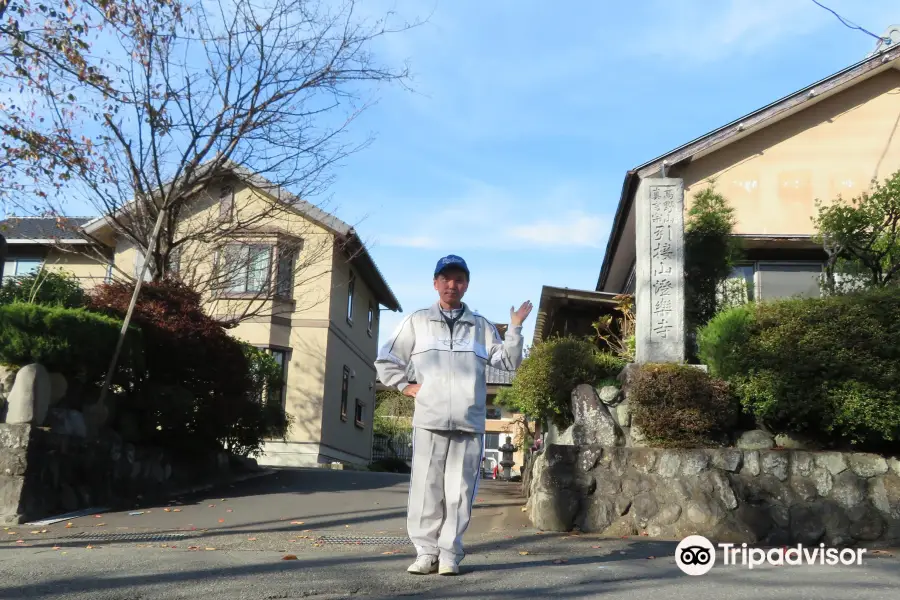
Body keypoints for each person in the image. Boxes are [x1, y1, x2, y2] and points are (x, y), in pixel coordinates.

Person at [375, 254, 532, 576]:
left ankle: (449, 554)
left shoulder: (480, 326)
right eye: (445, 278)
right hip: (430, 419)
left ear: (466, 285)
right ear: (435, 283)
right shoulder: (417, 321)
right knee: (425, 489)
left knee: (459, 492)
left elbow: (507, 363)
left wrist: (514, 328)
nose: (452, 285)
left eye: (458, 279)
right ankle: (425, 552)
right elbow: (386, 359)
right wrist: (405, 386)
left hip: (468, 420)